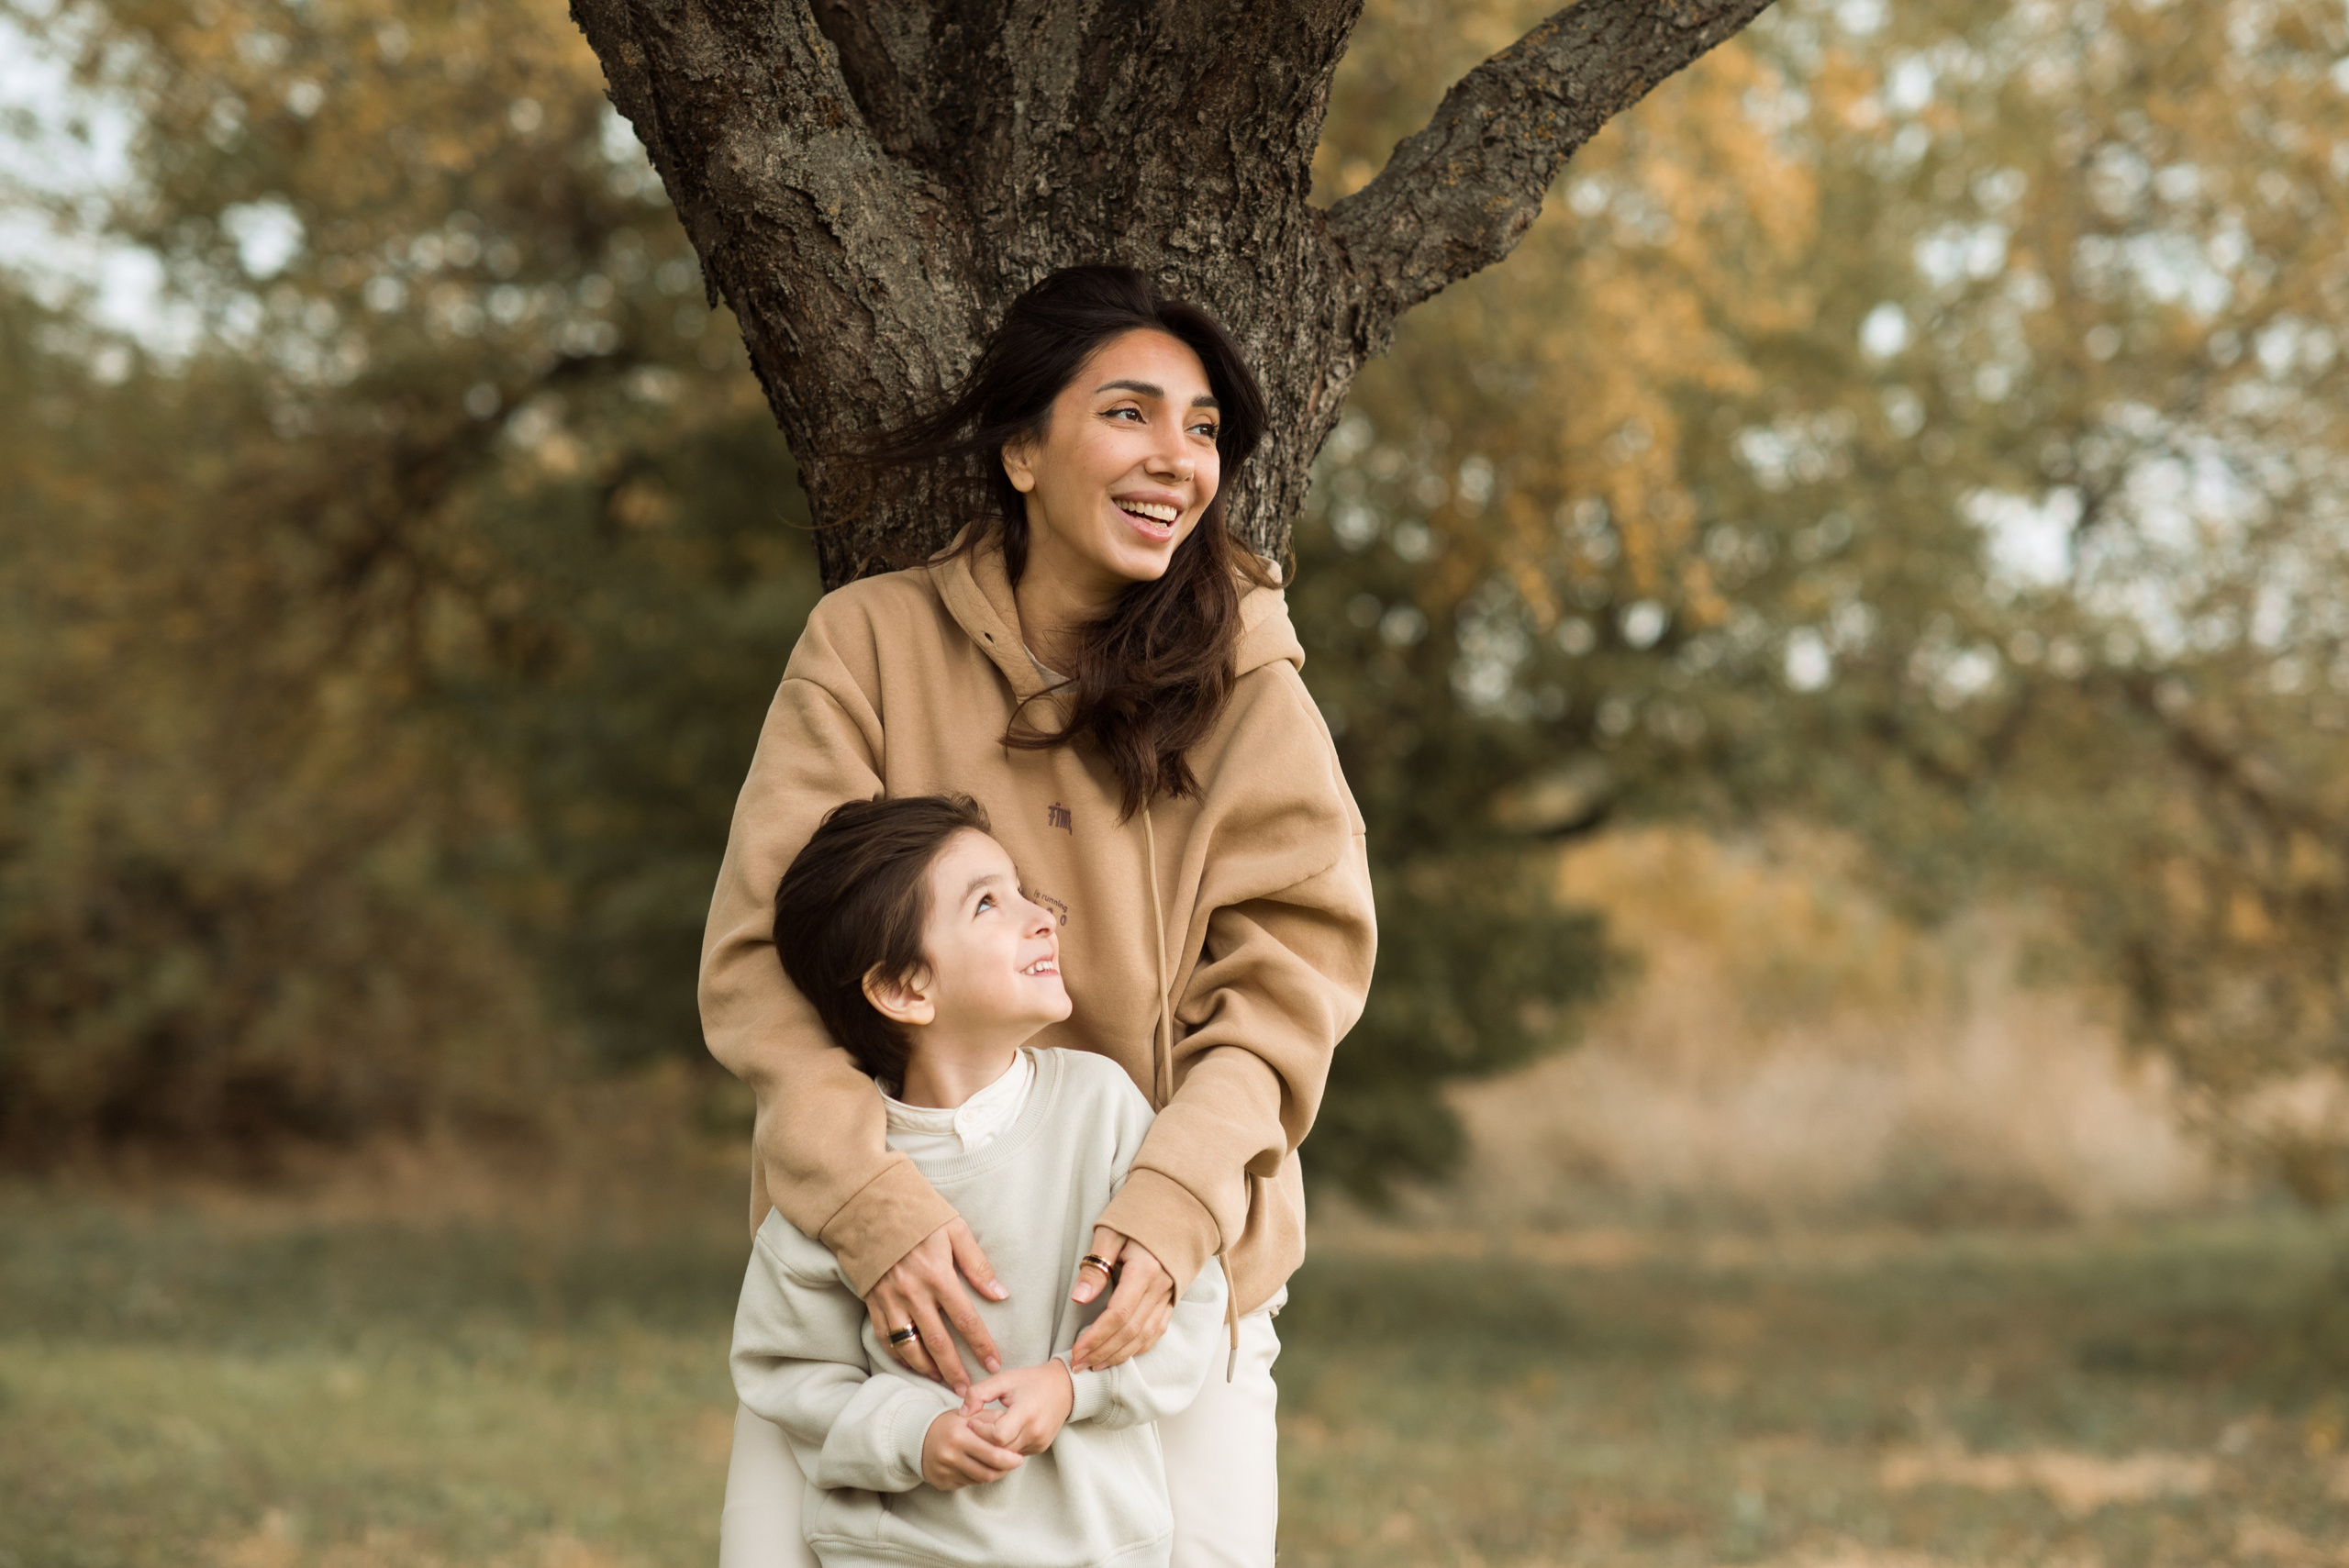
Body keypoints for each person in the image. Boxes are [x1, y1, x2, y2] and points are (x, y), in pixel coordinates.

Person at [710, 264, 1377, 1568]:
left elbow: (1290, 993)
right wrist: (868, 1206)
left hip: (1154, 1296)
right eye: (1129, 413)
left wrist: (1172, 1208)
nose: (1176, 457)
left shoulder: (1250, 687)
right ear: (1021, 451)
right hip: (878, 1290)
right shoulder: (865, 646)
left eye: (1202, 428)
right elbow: (759, 966)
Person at [734, 792, 1226, 1568]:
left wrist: (1070, 1386)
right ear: (905, 987)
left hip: (1094, 1550)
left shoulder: (1101, 1108)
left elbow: (1188, 1299)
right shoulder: (838, 1170)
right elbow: (789, 1373)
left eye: (1023, 890)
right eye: (989, 903)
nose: (1043, 917)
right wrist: (915, 1434)